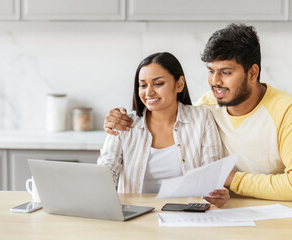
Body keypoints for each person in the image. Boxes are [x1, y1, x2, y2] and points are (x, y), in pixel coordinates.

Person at [103, 24, 292, 202]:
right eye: (211, 71)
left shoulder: (286, 110)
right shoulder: (208, 107)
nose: (215, 81)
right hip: (224, 212)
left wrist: (231, 179)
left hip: (276, 211)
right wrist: (115, 120)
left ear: (252, 72)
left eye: (225, 72)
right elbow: (171, 115)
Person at [98, 52, 229, 207]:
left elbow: (210, 175)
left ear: (179, 84)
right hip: (135, 214)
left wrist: (216, 193)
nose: (149, 92)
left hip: (187, 215)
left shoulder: (202, 118)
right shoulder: (124, 122)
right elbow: (106, 171)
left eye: (158, 84)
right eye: (143, 85)